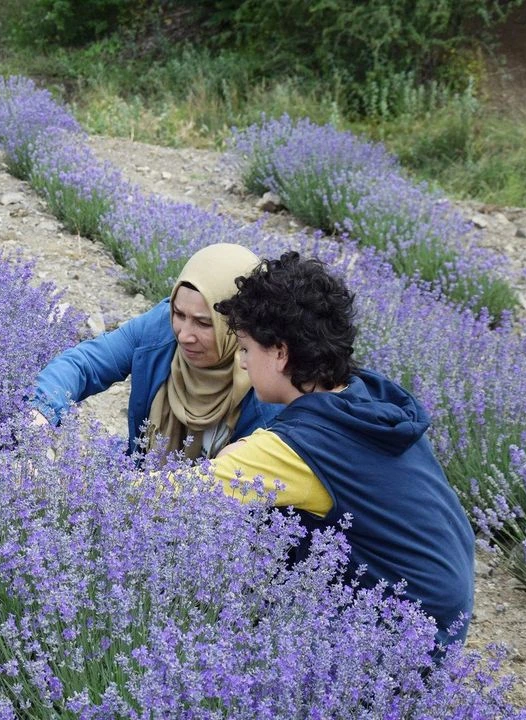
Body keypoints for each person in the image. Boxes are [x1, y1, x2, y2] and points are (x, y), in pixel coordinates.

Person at [203, 251, 475, 651]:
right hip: (446, 611)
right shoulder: (366, 397)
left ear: (279, 352)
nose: (241, 363)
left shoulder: (303, 447)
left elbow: (174, 496)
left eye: (245, 349)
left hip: (401, 641)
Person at [31, 244, 282, 459]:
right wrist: (40, 411)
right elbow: (84, 364)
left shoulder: (270, 386)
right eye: (179, 314)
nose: (184, 335)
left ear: (240, 325)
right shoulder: (159, 328)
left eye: (204, 323)